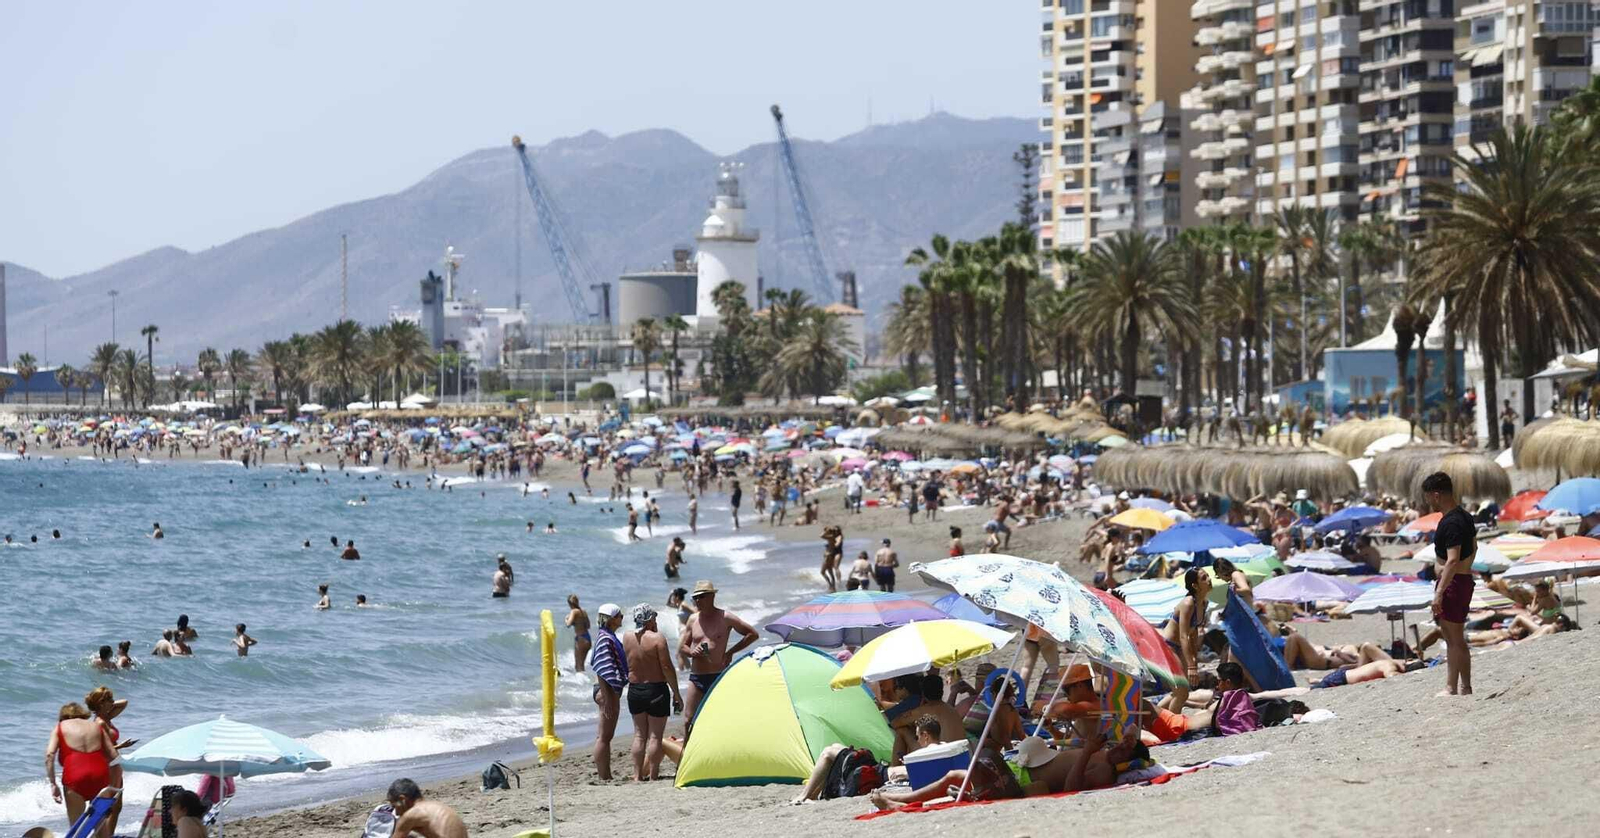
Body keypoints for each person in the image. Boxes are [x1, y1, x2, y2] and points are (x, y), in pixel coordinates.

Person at [678, 580, 759, 733]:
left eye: (701, 597)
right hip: (697, 677)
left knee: (721, 719)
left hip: (718, 676)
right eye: (695, 598)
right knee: (688, 720)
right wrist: (691, 653)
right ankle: (686, 754)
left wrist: (730, 652)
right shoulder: (693, 619)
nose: (697, 600)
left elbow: (752, 634)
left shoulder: (725, 617)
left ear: (711, 596)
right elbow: (683, 646)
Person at [1424, 471, 1475, 697]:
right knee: (1456, 637)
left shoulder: (1451, 522)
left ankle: (1451, 687)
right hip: (1461, 580)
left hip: (1453, 583)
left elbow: (1452, 560)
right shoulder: (1464, 516)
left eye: (1428, 497)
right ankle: (1465, 687)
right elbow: (1474, 548)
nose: (1427, 502)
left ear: (1436, 495)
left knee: (1453, 639)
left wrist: (1439, 593)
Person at [622, 604, 683, 781]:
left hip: (634, 691)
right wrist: (676, 693)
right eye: (654, 618)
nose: (656, 621)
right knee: (655, 736)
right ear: (649, 620)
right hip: (656, 689)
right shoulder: (657, 638)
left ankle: (637, 775)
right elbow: (666, 667)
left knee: (639, 735)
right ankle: (653, 774)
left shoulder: (626, 637)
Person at [45, 702, 123, 833]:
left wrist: (53, 784)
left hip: (75, 778)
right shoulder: (96, 726)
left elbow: (49, 755)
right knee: (101, 827)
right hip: (100, 777)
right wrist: (114, 788)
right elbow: (115, 759)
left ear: (63, 717)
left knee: (77, 830)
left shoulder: (60, 727)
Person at [1159, 569, 1210, 711]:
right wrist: (1192, 666)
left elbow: (1193, 634)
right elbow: (1183, 635)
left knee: (1181, 691)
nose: (1209, 580)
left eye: (1208, 576)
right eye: (1204, 578)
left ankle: (1156, 714)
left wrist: (1194, 658)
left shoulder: (1203, 604)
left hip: (1180, 646)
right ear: (1195, 585)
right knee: (1181, 691)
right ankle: (1172, 730)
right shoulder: (1188, 603)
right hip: (1168, 645)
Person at [589, 603, 628, 780]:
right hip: (606, 691)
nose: (622, 618)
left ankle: (606, 774)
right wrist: (607, 697)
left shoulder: (606, 636)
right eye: (620, 615)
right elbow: (602, 670)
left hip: (608, 691)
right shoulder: (606, 638)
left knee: (605, 736)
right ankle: (604, 776)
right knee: (604, 737)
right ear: (612, 619)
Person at [386, 778, 467, 838]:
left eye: (395, 806)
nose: (396, 813)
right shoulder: (436, 806)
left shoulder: (412, 814)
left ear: (402, 799)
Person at [566, 595, 591, 673]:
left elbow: (568, 624)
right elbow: (588, 626)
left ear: (570, 604)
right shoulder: (583, 612)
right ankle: (584, 683)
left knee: (578, 666)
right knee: (581, 665)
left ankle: (581, 683)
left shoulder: (574, 611)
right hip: (587, 638)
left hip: (580, 639)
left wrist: (566, 619)